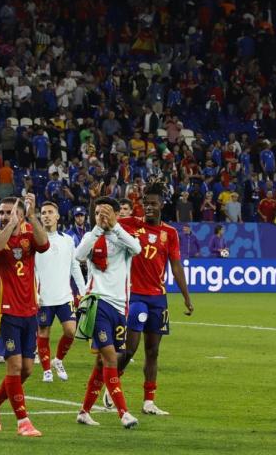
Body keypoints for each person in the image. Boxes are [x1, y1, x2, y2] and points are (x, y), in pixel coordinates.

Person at [110, 184, 195, 415]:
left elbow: (176, 266)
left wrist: (186, 297)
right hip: (135, 295)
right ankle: (112, 382)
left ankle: (149, 401)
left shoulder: (170, 233)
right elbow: (105, 222)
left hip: (159, 299)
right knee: (129, 349)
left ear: (162, 205)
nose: (148, 206)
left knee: (153, 352)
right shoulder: (131, 224)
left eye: (153, 203)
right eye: (145, 203)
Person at [0, 195, 49, 437]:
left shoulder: (29, 235)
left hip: (29, 310)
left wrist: (31, 216)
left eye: (10, 212)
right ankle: (23, 422)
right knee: (15, 366)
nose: (5, 216)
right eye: (3, 212)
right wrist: (11, 224)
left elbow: (45, 243)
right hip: (5, 312)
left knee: (27, 369)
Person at [74, 197, 141, 429]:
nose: (103, 216)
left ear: (115, 214)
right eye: (99, 213)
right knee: (112, 358)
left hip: (120, 307)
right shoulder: (90, 237)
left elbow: (137, 249)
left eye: (108, 212)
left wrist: (115, 227)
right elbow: (79, 255)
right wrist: (96, 229)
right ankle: (124, 413)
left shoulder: (122, 237)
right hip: (97, 303)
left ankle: (84, 412)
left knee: (102, 363)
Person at [35, 201, 86, 383]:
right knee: (43, 334)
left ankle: (58, 360)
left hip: (64, 296)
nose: (46, 215)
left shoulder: (67, 240)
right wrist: (35, 292)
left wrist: (83, 290)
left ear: (57, 216)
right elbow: (32, 270)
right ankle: (46, 369)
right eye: (43, 212)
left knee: (71, 332)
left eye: (50, 212)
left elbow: (75, 267)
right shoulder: (36, 240)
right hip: (44, 298)